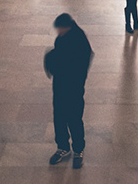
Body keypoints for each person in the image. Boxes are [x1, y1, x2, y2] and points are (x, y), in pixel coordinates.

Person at [45, 13, 93, 169]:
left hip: (73, 88)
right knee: (59, 118)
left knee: (74, 119)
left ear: (67, 27)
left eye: (60, 28)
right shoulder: (62, 38)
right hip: (60, 86)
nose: (58, 31)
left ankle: (78, 149)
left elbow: (80, 65)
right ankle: (63, 147)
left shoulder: (80, 41)